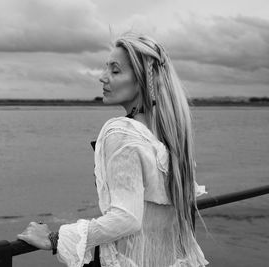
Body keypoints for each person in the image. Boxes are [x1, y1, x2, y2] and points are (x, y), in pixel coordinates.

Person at [17, 32, 208, 267]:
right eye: (106, 69)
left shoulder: (121, 132)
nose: (102, 78)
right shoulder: (170, 136)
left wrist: (56, 238)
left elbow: (126, 218)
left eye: (115, 71)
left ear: (142, 80)